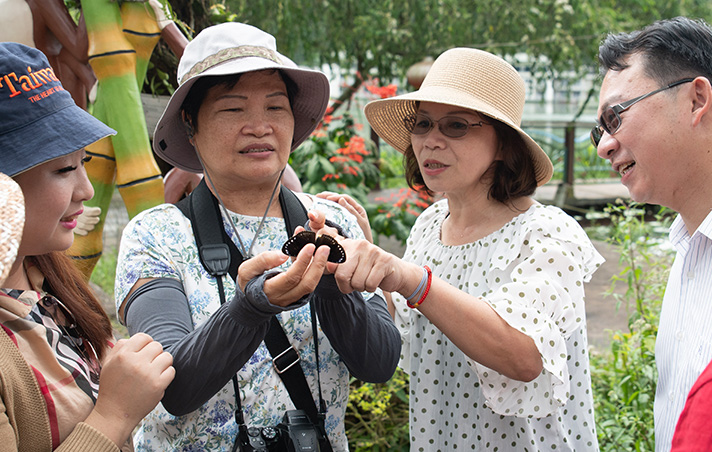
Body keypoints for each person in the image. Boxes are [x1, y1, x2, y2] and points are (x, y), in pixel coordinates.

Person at [113, 22, 400, 451]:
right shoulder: (156, 235)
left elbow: (378, 363)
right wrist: (250, 308)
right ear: (190, 124)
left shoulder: (333, 223)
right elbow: (172, 389)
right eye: (233, 109)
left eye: (275, 107)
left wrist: (331, 286)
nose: (259, 126)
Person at [314, 47, 604, 451]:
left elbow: (522, 357)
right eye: (423, 124)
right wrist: (369, 254)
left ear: (504, 145)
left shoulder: (546, 233)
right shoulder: (429, 226)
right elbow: (405, 334)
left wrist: (408, 277)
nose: (431, 141)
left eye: (455, 126)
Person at [0, 42, 175, 451]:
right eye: (63, 169)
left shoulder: (48, 277)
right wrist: (113, 415)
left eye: (84, 163)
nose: (86, 190)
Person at [592, 16, 712, 451]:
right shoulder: (688, 250)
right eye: (599, 130)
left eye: (615, 116)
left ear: (696, 99)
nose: (605, 145)